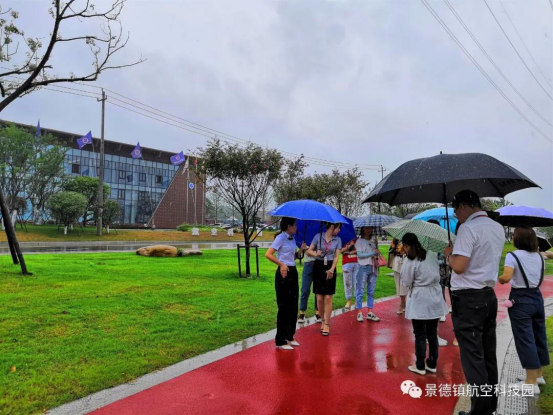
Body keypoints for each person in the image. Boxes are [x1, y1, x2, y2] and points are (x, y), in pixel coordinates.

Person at [444, 190, 505, 415]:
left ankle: (479, 411)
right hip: (488, 296)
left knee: (473, 358)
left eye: (455, 209)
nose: (455, 214)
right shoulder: (496, 227)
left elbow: (459, 266)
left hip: (468, 299)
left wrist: (449, 254)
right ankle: (490, 406)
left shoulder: (468, 228)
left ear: (463, 206)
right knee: (488, 354)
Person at [498, 226, 549, 394]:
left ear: (517, 240)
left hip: (520, 301)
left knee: (525, 339)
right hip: (537, 299)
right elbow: (547, 255)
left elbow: (506, 277)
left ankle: (530, 383)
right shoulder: (539, 257)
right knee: (538, 336)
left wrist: (499, 278)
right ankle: (538, 375)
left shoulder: (513, 256)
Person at [401, 233, 448, 375]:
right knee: (432, 333)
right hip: (434, 295)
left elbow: (406, 282)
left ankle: (420, 365)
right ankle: (432, 363)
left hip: (420, 298)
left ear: (407, 246)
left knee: (420, 334)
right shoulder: (431, 254)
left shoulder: (410, 260)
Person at [265, 217, 306, 350]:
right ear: (288, 226)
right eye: (295, 225)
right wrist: (281, 264)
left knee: (293, 305)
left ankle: (290, 335)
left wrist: (300, 251)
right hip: (283, 273)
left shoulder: (293, 238)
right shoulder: (280, 238)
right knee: (283, 306)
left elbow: (292, 256)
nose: (296, 227)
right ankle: (280, 340)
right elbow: (268, 254)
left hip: (292, 271)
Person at [306, 222, 342, 336]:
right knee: (319, 298)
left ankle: (327, 323)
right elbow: (309, 251)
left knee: (328, 297)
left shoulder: (338, 240)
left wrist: (332, 269)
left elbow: (337, 256)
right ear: (332, 227)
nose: (339, 231)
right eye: (338, 228)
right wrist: (316, 253)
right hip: (318, 267)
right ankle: (322, 319)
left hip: (330, 267)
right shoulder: (318, 236)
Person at [355, 226, 380, 322]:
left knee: (371, 290)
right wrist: (372, 253)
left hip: (373, 267)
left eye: (370, 228)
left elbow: (376, 254)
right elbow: (360, 255)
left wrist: (376, 249)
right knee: (360, 289)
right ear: (362, 229)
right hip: (363, 267)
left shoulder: (374, 241)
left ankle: (370, 311)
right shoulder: (359, 241)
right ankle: (359, 312)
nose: (368, 230)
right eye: (366, 228)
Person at [297, 253, 320, 324]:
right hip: (308, 264)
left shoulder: (320, 241)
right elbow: (306, 252)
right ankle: (302, 313)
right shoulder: (305, 241)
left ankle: (318, 312)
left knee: (318, 290)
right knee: (305, 289)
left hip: (319, 264)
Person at [390, 238, 408, 314]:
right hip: (397, 262)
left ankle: (402, 304)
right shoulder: (395, 239)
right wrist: (394, 247)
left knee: (404, 284)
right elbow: (391, 251)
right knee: (398, 284)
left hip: (406, 261)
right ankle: (403, 303)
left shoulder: (408, 238)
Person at [340, 238, 359, 310]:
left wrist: (348, 252)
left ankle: (356, 300)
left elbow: (360, 251)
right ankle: (348, 300)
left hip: (357, 263)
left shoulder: (358, 240)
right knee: (347, 282)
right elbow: (341, 251)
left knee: (357, 282)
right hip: (346, 263)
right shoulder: (343, 239)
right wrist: (350, 246)